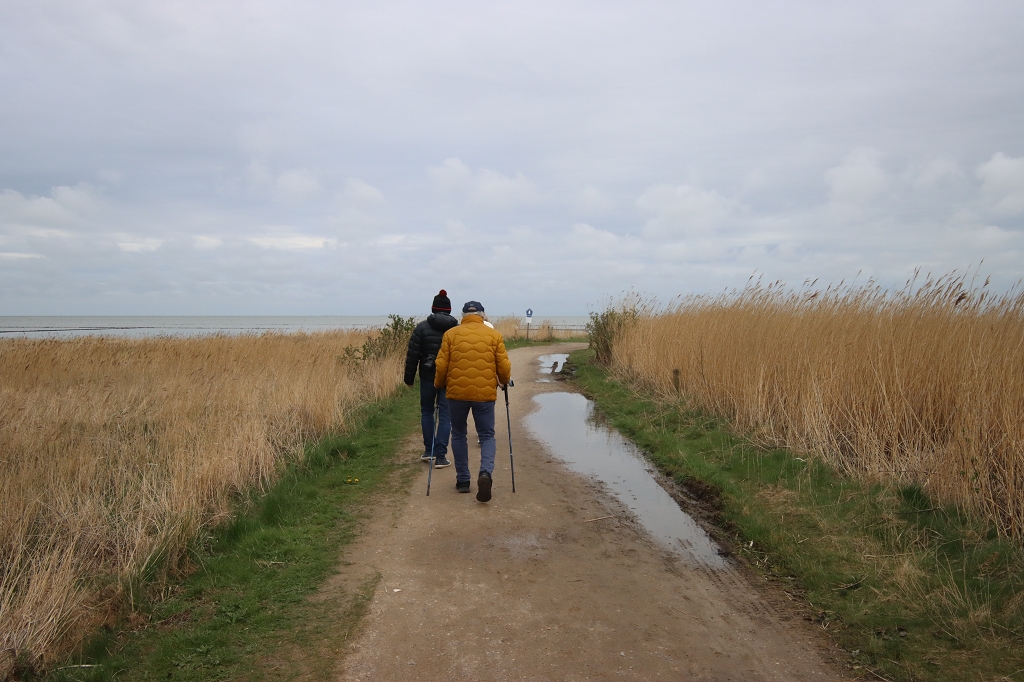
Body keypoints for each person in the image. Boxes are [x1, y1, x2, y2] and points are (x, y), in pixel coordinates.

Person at [434, 301, 512, 501]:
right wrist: (503, 382)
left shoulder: (451, 334)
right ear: (483, 315)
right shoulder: (493, 335)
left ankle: (463, 481)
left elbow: (442, 365)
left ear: (463, 315)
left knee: (459, 433)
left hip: (456, 394)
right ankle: (485, 473)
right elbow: (503, 365)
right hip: (484, 395)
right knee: (487, 435)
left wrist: (438, 384)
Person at [404, 289, 459, 467]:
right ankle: (441, 456)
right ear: (449, 310)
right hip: (449, 378)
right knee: (445, 415)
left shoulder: (422, 328)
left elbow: (413, 355)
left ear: (433, 308)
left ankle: (429, 451)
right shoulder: (456, 330)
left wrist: (409, 379)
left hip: (428, 376)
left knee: (427, 412)